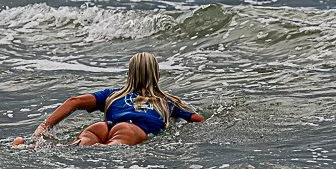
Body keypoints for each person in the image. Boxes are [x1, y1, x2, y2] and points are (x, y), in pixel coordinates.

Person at [22, 52, 204, 147]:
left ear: (129, 74)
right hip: (131, 130)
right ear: (157, 74)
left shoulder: (113, 95)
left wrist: (44, 127)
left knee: (72, 148)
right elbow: (197, 119)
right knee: (108, 151)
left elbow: (74, 101)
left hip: (101, 127)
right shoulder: (166, 101)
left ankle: (23, 146)